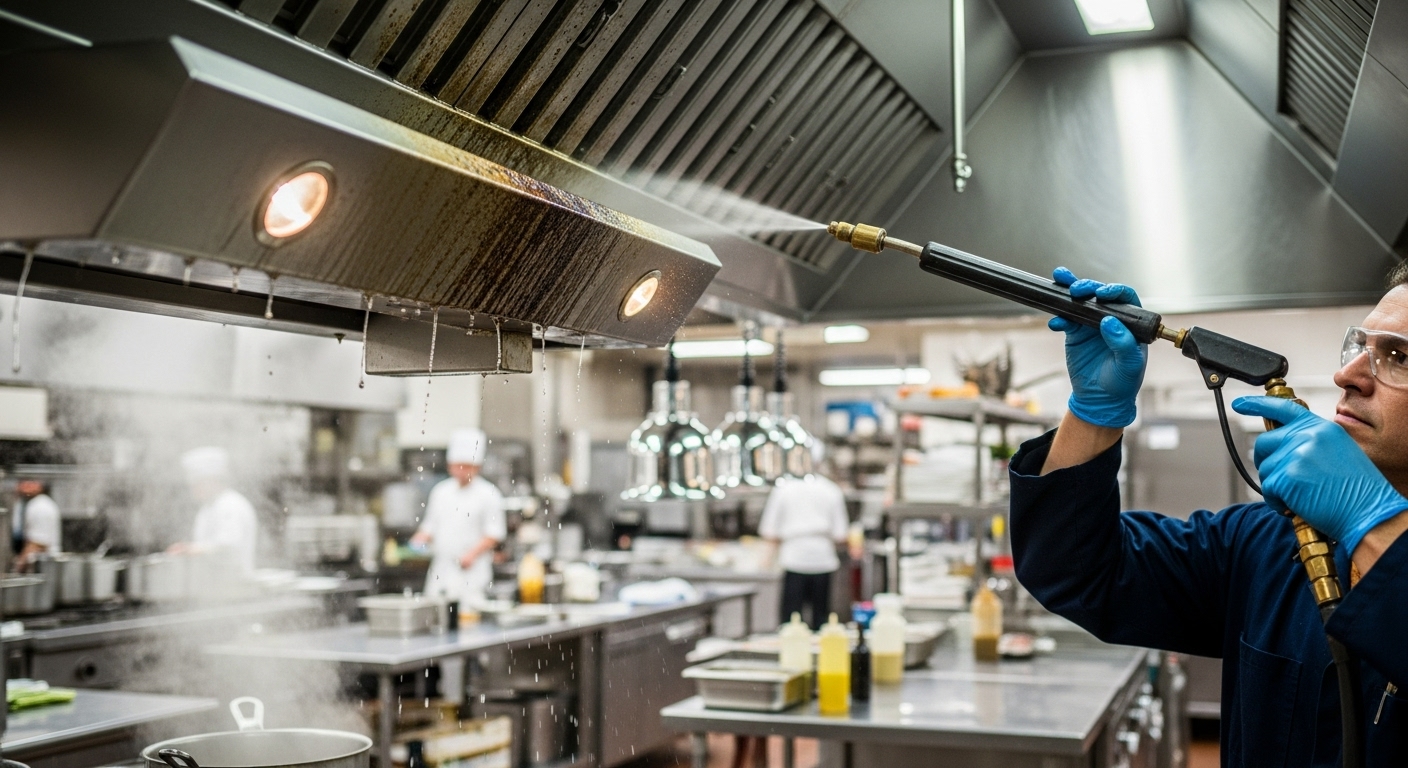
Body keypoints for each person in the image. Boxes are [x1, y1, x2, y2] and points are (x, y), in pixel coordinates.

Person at [1009, 266, 1408, 765]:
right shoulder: (1269, 544)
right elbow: (1078, 571)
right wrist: (1092, 414)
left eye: (1400, 357)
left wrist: (1371, 518)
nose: (1347, 376)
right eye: (1360, 347)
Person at [411, 428, 506, 606]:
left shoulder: (489, 494)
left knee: (468, 614)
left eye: (466, 466)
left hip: (471, 573)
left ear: (477, 467)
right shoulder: (441, 491)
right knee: (436, 613)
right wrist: (419, 540)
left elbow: (494, 533)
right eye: (457, 466)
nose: (461, 471)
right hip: (441, 571)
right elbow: (430, 526)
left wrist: (471, 555)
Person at [759, 471, 849, 629]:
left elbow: (770, 531)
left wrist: (765, 560)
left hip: (793, 558)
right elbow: (841, 535)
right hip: (823, 558)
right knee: (821, 622)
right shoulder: (831, 489)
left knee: (790, 622)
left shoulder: (783, 488)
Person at [171, 446, 259, 573]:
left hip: (233, 582)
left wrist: (193, 550)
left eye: (197, 483)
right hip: (211, 581)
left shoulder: (231, 504)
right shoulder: (207, 508)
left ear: (212, 480)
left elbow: (228, 547)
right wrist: (188, 549)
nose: (193, 489)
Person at [11, 478, 60, 570]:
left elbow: (38, 544)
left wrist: (17, 567)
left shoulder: (41, 506)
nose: (23, 486)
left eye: (30, 482)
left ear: (40, 486)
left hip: (42, 566)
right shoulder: (27, 504)